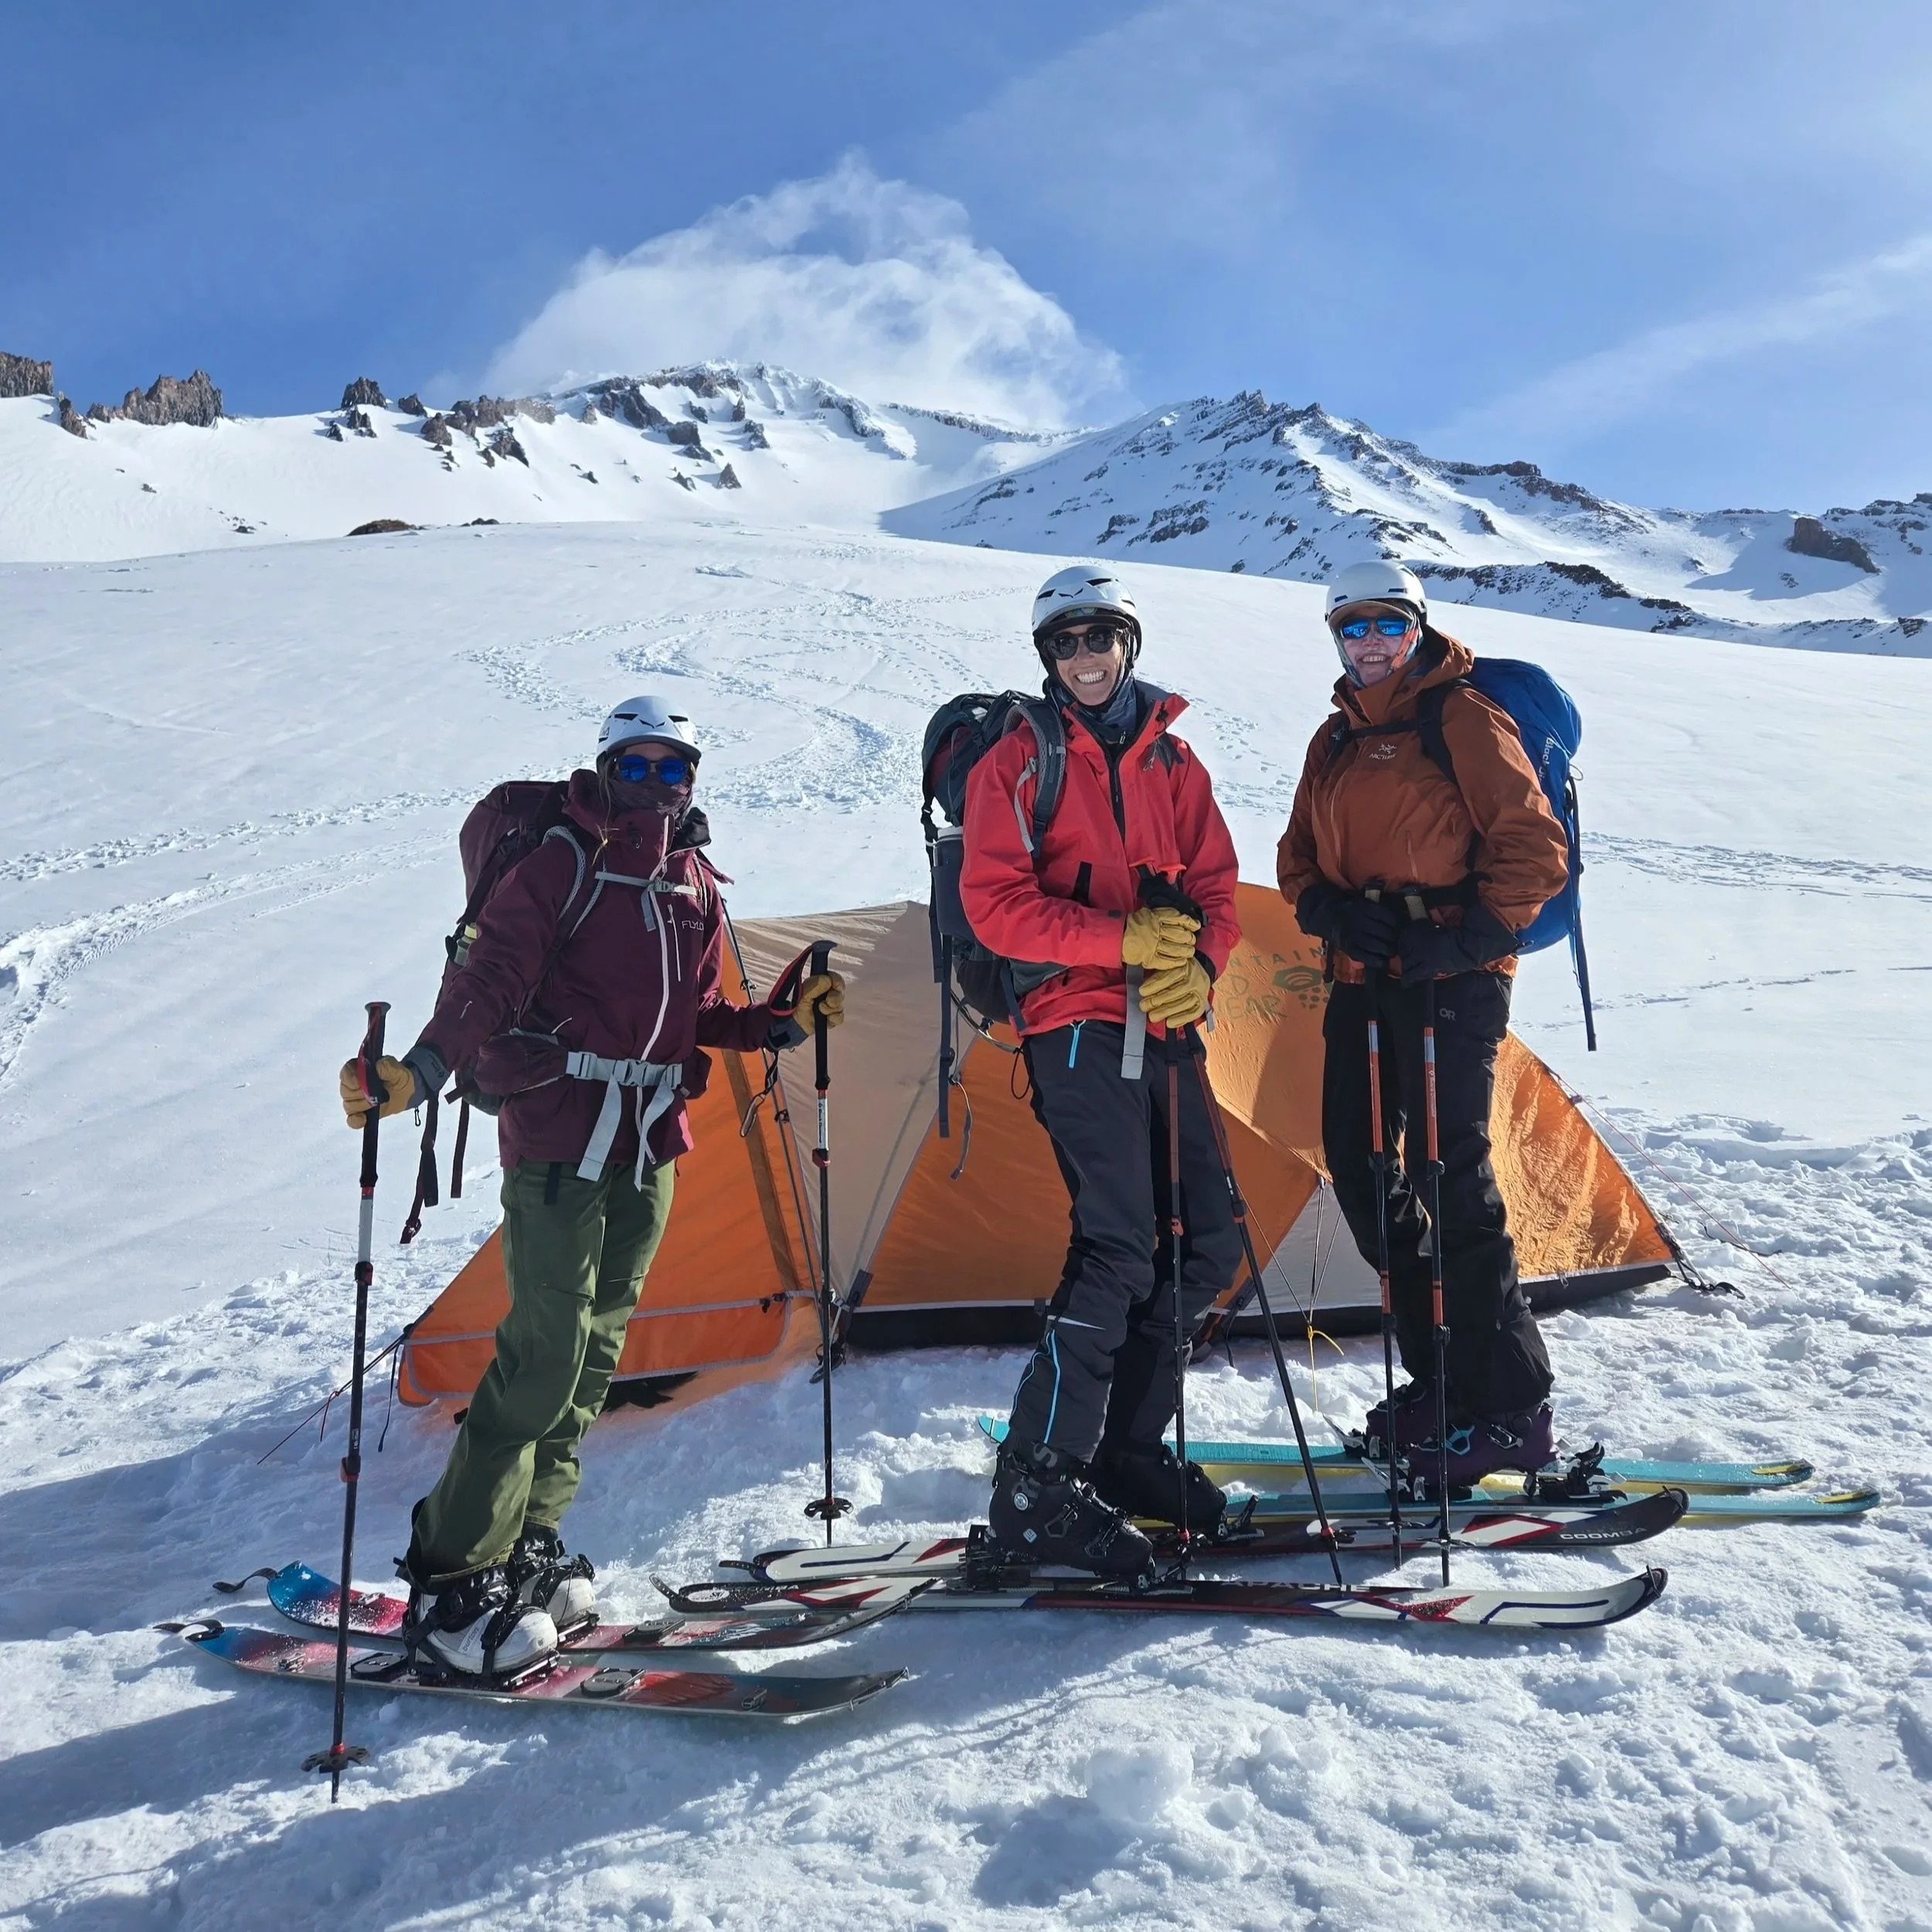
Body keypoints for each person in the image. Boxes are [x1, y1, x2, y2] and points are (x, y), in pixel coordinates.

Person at [338, 696, 845, 1675]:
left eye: (674, 768)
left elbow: (693, 1009)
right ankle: (453, 1576)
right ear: (606, 766)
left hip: (649, 1144)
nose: (657, 784)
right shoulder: (564, 860)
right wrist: (426, 1069)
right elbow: (487, 981)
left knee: (592, 1356)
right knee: (541, 1353)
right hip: (560, 1138)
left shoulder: (691, 881)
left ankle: (526, 1547)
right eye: (638, 764)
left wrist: (772, 1022)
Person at [961, 566, 1243, 1578]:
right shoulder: (1018, 761)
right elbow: (995, 905)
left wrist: (1199, 961)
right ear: (1050, 659)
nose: (1085, 658)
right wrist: (1117, 941)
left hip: (1166, 1023)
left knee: (1212, 1240)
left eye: (1100, 638)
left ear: (1128, 642)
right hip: (1073, 1022)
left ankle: (1122, 1454)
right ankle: (1037, 1484)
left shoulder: (1176, 763)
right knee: (1121, 1244)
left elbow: (1219, 888)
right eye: (1066, 644)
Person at [1277, 562, 1568, 1487]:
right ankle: (1444, 1377)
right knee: (1362, 1172)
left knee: (1449, 1179)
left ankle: (1510, 1406)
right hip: (1364, 976)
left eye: (1386, 624)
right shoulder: (1333, 738)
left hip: (1451, 979)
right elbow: (1294, 859)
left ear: (1416, 629)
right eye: (1352, 625)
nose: (1369, 641)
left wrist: (1471, 936)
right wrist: (1327, 912)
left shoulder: (1463, 718)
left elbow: (1532, 845)